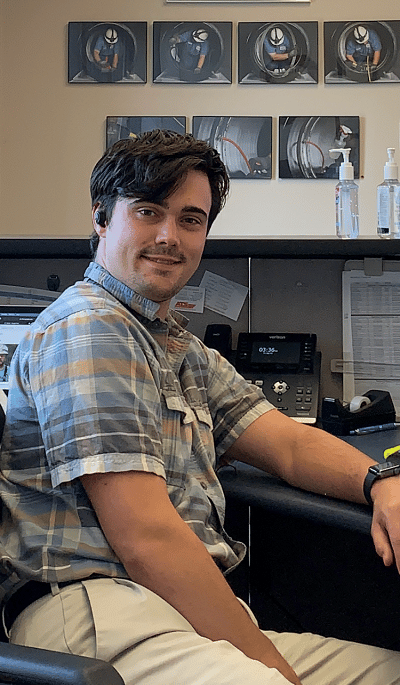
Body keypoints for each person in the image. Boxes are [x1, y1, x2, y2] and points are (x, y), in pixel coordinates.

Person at [0, 130, 399, 685]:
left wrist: (381, 480)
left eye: (190, 219)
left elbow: (286, 442)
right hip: (97, 615)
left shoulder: (177, 349)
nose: (170, 236)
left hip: (176, 610)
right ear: (101, 218)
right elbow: (147, 539)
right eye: (148, 211)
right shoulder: (90, 329)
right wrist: (275, 669)